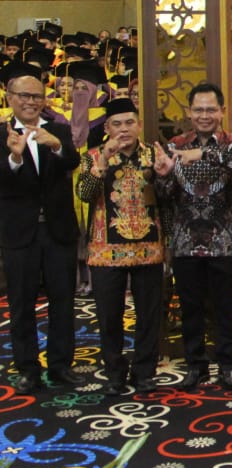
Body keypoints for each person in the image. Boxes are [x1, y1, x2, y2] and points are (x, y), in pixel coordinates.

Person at [154, 82, 232, 390]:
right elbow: (165, 195)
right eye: (199, 109)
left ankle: (227, 364)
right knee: (190, 307)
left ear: (222, 111)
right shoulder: (175, 143)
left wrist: (204, 153)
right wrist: (166, 174)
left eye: (211, 109)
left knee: (225, 307)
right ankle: (195, 364)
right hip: (185, 240)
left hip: (223, 238)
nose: (205, 115)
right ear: (189, 112)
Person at [0, 65, 83, 394]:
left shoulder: (57, 130)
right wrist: (15, 159)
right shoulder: (1, 133)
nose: (31, 102)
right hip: (20, 233)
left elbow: (73, 162)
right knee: (21, 302)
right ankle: (27, 368)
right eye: (24, 95)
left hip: (58, 230)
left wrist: (56, 147)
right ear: (10, 97)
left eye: (37, 96)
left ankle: (61, 365)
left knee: (63, 299)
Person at [76, 98, 164, 395]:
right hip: (105, 250)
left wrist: (166, 175)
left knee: (149, 314)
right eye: (117, 124)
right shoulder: (92, 156)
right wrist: (101, 164)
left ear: (139, 125)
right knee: (109, 315)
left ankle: (144, 371)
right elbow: (85, 194)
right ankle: (115, 371)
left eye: (129, 123)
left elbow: (169, 198)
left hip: (149, 246)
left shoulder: (154, 154)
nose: (124, 129)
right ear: (106, 127)